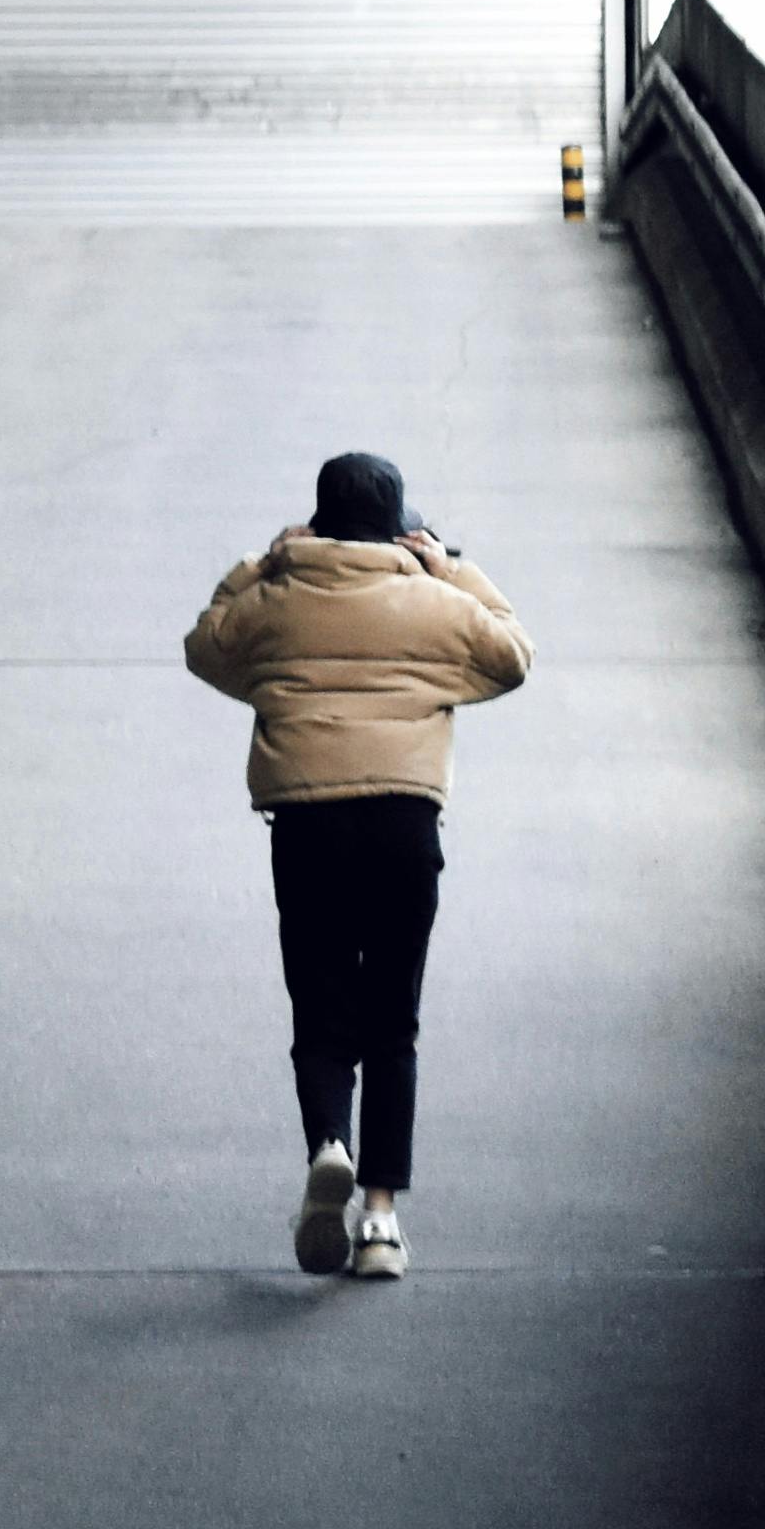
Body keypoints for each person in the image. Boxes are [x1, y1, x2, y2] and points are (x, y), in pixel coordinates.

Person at [182, 451, 531, 1281]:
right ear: (399, 526)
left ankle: (327, 1145)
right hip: (404, 824)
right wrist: (448, 564)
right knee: (393, 1019)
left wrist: (265, 559)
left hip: (306, 826)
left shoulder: (276, 599)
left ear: (318, 520)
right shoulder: (431, 600)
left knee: (321, 1006)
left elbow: (206, 646)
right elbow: (513, 654)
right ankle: (379, 1221)